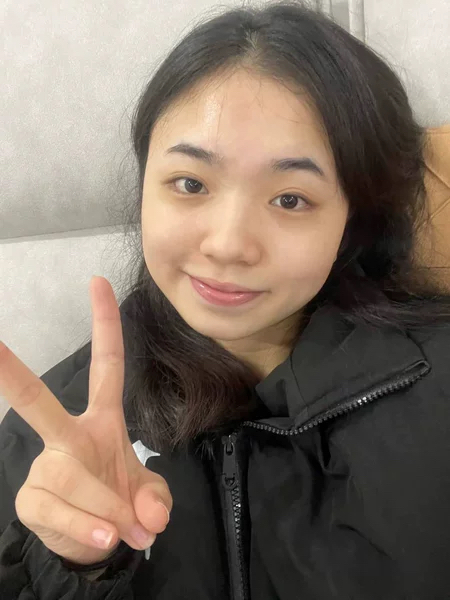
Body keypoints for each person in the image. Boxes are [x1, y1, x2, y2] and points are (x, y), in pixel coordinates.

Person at [1, 0, 450, 598]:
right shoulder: (49, 432)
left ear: (352, 218)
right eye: (190, 184)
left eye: (290, 199)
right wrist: (79, 565)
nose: (229, 244)